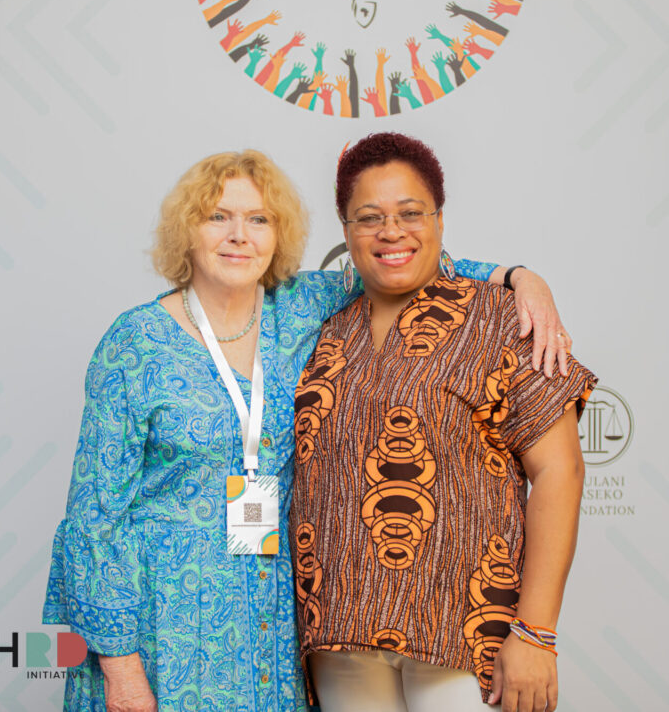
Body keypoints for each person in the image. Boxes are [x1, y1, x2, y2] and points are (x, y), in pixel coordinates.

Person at [42, 149, 571, 712]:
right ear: (186, 231)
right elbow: (93, 521)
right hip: (161, 629)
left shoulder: (300, 308)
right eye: (218, 216)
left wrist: (517, 277)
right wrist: (120, 669)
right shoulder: (135, 343)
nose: (239, 235)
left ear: (280, 236)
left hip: (270, 626)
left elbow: (398, 256)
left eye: (259, 219)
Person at [290, 133, 597, 712]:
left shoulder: (503, 318)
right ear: (345, 227)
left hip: (462, 634)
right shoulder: (324, 334)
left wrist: (536, 632)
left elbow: (561, 472)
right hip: (340, 635)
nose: (392, 232)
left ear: (439, 218)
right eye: (368, 217)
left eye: (411, 213)